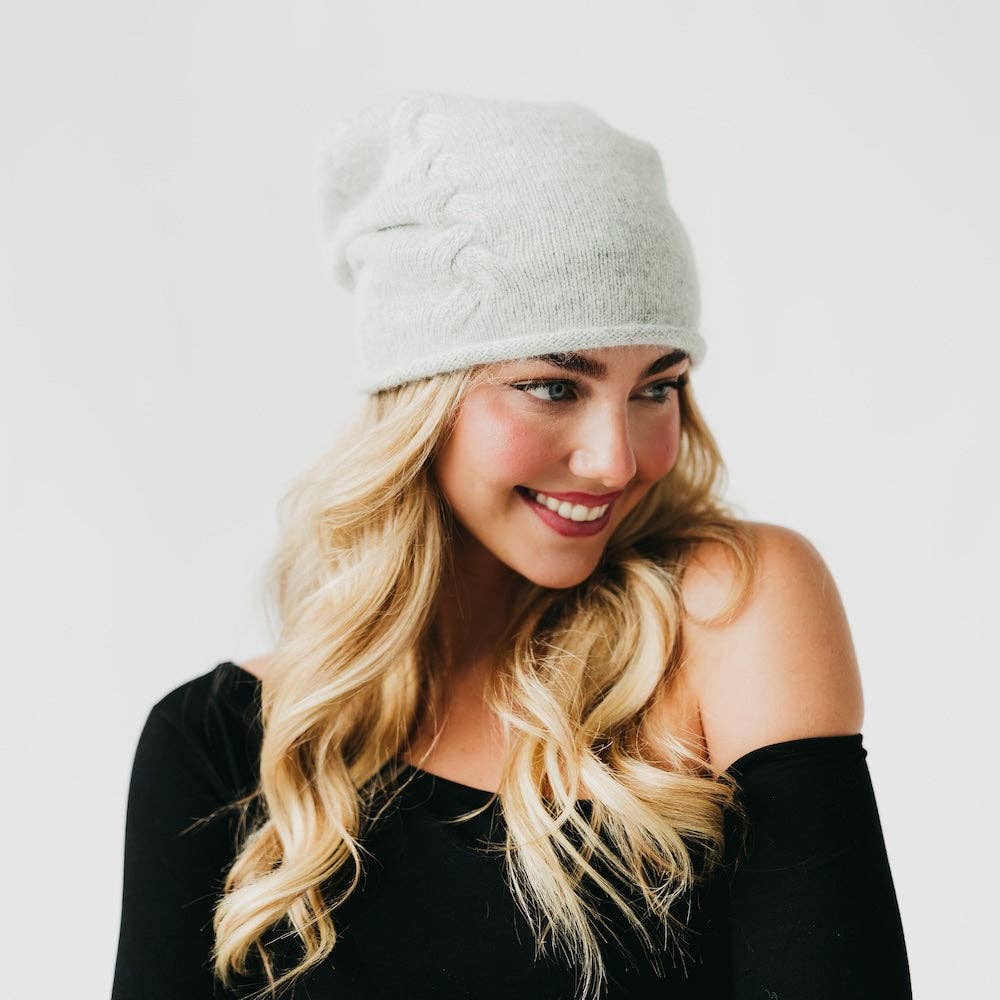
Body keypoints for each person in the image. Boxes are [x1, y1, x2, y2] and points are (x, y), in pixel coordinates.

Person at [111, 91, 913, 999]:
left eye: (657, 387)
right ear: (420, 400)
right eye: (553, 386)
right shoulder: (218, 745)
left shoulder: (732, 610)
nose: (617, 460)